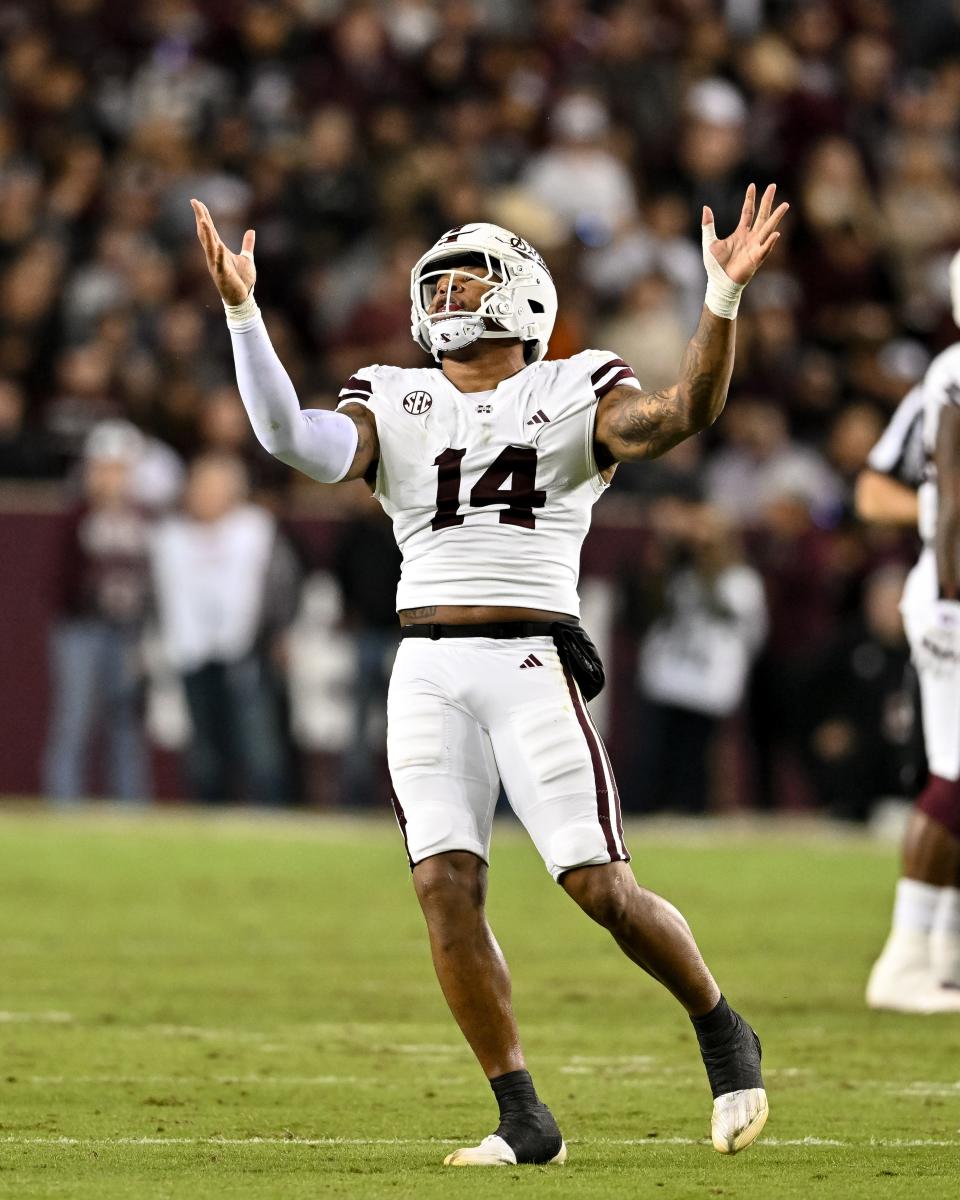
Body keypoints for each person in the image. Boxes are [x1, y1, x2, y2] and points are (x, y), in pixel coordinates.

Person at [191, 182, 789, 1163]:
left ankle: (723, 1028)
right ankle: (523, 1114)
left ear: (525, 298)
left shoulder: (573, 384)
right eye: (440, 285)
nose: (449, 300)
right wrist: (243, 313)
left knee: (598, 885)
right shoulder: (396, 392)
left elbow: (685, 414)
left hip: (527, 654)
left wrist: (719, 301)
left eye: (470, 283)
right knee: (445, 888)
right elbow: (291, 441)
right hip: (423, 664)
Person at [858, 309, 960, 1012]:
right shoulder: (947, 376)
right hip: (951, 591)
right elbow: (872, 492)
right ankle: (907, 954)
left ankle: (943, 946)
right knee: (953, 776)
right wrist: (935, 508)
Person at [150, 452, 300, 806]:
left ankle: (270, 819)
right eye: (201, 487)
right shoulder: (170, 536)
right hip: (192, 652)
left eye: (215, 488)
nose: (206, 496)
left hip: (247, 651)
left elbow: (283, 584)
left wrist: (275, 632)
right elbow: (155, 592)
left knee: (258, 745)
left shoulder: (255, 530)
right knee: (203, 748)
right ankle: (207, 821)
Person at [43, 420, 153, 803]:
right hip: (81, 628)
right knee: (74, 717)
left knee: (126, 720)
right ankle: (63, 804)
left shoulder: (145, 517)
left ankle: (131, 808)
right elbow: (59, 577)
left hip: (128, 630)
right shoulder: (77, 515)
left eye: (119, 468)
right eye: (105, 468)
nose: (111, 477)